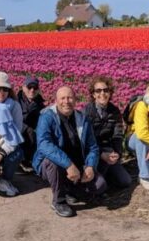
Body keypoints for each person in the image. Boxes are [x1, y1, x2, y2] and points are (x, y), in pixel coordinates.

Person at [33, 86, 107, 217]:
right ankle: (59, 201)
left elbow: (93, 147)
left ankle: (70, 189)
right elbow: (44, 145)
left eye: (70, 98)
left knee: (100, 185)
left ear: (75, 100)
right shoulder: (47, 117)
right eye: (62, 98)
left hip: (77, 164)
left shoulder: (82, 119)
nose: (66, 101)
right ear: (56, 101)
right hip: (54, 165)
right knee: (53, 162)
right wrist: (68, 164)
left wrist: (90, 166)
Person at [83, 76, 131, 188]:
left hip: (108, 150)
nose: (102, 93)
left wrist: (117, 153)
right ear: (93, 94)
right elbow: (85, 141)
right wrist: (101, 154)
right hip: (92, 152)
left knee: (126, 181)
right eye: (98, 91)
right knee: (100, 185)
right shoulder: (86, 112)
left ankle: (106, 173)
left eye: (106, 90)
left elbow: (118, 136)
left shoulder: (114, 111)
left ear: (110, 93)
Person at [16, 76, 45, 168]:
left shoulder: (40, 104)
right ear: (23, 87)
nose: (32, 90)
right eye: (29, 87)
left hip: (34, 135)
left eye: (35, 87)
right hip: (18, 131)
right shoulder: (16, 101)